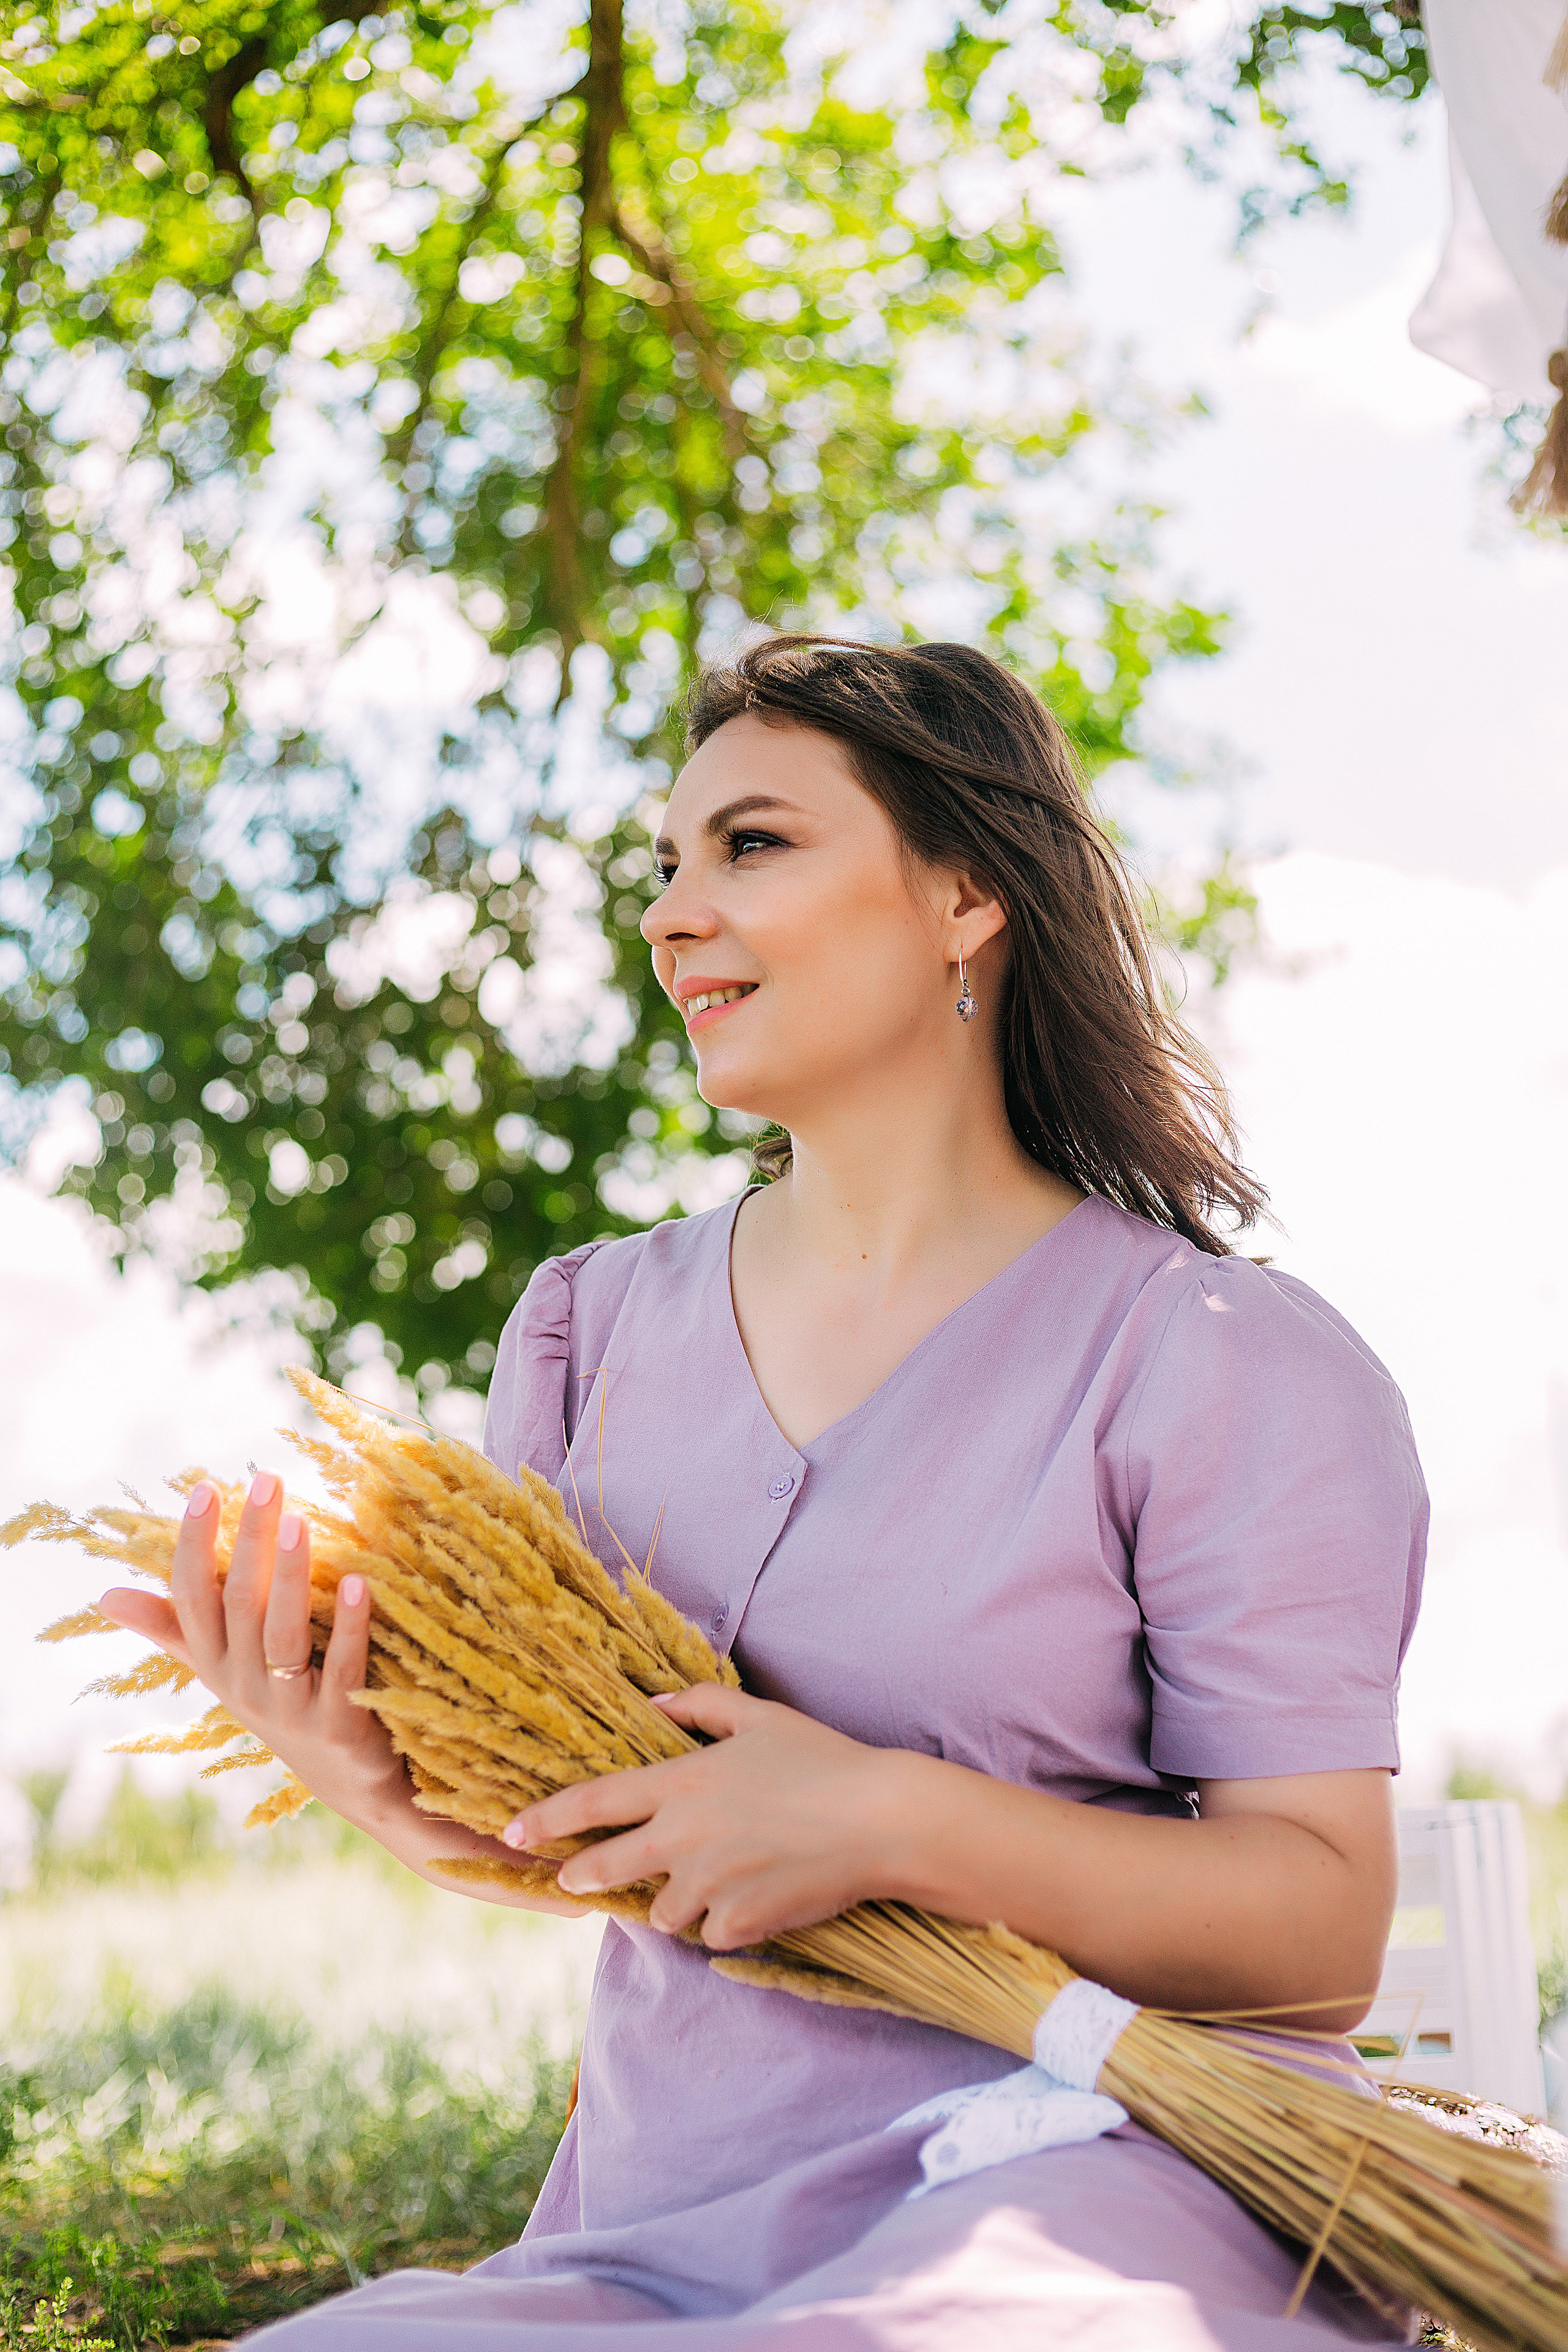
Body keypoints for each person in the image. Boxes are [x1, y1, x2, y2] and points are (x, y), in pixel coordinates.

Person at [100, 636, 1428, 2349]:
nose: (666, 915)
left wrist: (891, 1818)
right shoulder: (587, 1332)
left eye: (751, 844)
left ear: (964, 898)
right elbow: (615, 1854)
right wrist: (380, 1789)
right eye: (663, 867)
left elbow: (1318, 1937)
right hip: (665, 2219)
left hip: (1087, 2181)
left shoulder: (1225, 1362)